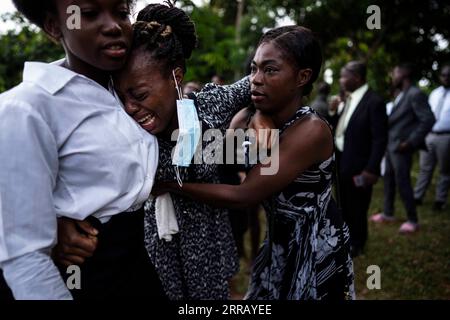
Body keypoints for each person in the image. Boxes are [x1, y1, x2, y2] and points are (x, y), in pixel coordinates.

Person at [56, 2, 270, 300]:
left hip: (209, 250)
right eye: (122, 97)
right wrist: (61, 220)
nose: (131, 108)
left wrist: (268, 119)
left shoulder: (209, 109)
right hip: (156, 254)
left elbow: (264, 79)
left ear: (176, 76)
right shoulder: (125, 135)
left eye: (140, 94)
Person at [153, 25, 355, 300]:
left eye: (270, 70)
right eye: (254, 68)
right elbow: (216, 155)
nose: (255, 80)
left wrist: (170, 185)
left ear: (302, 76)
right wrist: (252, 113)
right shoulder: (256, 118)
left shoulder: (311, 130)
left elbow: (243, 194)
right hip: (279, 240)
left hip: (314, 243)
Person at [0, 0, 165, 300]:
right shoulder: (28, 109)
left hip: (136, 270)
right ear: (53, 25)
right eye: (88, 14)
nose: (114, 26)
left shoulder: (130, 93)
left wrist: (261, 114)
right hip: (80, 276)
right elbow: (24, 254)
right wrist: (54, 225)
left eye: (121, 13)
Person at [330, 61, 388, 257]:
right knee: (343, 203)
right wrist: (334, 111)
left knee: (358, 206)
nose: (341, 79)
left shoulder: (374, 102)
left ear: (357, 77)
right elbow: (340, 128)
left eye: (344, 75)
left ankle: (358, 243)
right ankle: (344, 238)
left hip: (360, 165)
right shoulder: (347, 99)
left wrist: (371, 169)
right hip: (342, 162)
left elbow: (380, 139)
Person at [371, 63, 435, 233]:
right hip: (392, 147)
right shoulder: (401, 95)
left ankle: (413, 220)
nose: (393, 76)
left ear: (404, 74)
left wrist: (410, 142)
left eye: (395, 72)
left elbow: (428, 119)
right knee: (389, 180)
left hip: (402, 147)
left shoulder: (415, 94)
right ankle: (388, 213)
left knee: (403, 182)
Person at [414, 64, 450, 211]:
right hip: (429, 135)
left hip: (446, 137)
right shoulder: (434, 93)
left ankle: (440, 200)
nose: (446, 78)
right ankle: (417, 196)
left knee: (445, 170)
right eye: (444, 75)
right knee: (424, 168)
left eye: (449, 75)